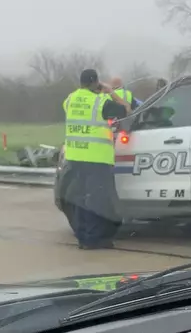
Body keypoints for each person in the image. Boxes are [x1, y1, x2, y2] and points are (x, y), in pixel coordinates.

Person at [62, 69, 127, 250]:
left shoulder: (70, 99)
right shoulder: (101, 101)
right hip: (96, 158)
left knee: (81, 198)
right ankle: (93, 239)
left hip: (75, 157)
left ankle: (83, 237)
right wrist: (111, 92)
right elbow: (125, 110)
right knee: (97, 200)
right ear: (96, 82)